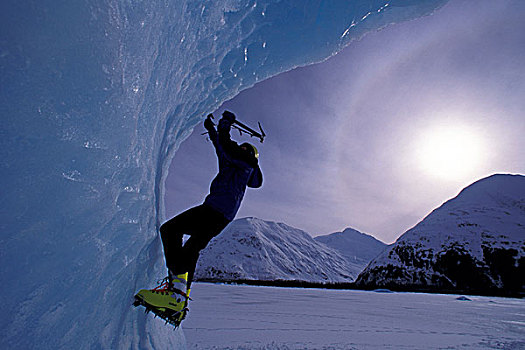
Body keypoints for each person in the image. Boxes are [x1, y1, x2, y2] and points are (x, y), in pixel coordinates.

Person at [135, 111, 263, 324]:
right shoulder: (234, 163)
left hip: (214, 210)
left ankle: (176, 295)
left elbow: (228, 148)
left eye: (245, 148)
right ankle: (178, 301)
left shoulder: (246, 163)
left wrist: (224, 127)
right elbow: (221, 148)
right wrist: (213, 130)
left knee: (170, 230)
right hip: (219, 214)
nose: (241, 148)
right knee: (192, 248)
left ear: (250, 154)